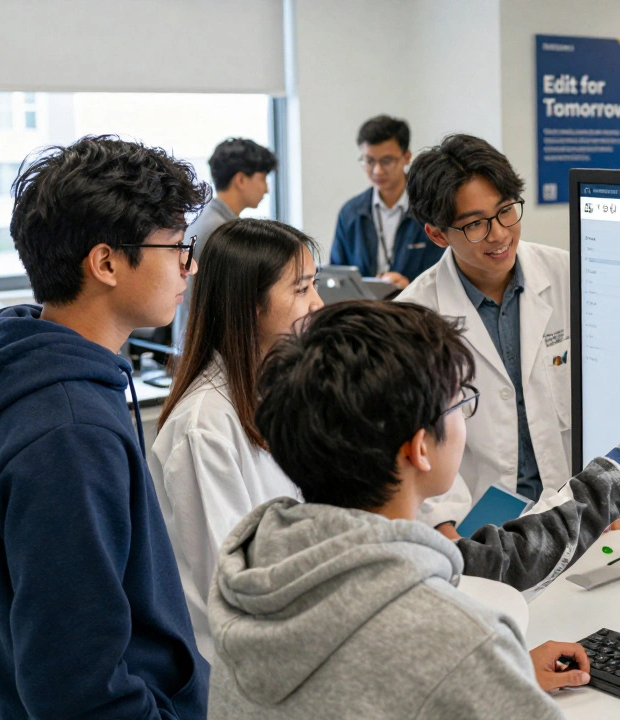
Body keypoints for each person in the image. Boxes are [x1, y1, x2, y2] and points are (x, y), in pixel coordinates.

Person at [207, 300, 620, 719]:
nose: (467, 415)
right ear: (419, 449)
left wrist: (500, 679)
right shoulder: (453, 638)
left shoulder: (256, 566)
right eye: (461, 401)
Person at [0, 136, 210, 719]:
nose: (191, 264)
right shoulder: (68, 432)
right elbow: (79, 687)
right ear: (106, 262)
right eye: (177, 247)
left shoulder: (28, 371)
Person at [149, 217, 323, 665]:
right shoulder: (204, 426)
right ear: (251, 304)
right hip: (241, 666)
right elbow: (232, 584)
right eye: (302, 289)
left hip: (290, 636)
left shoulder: (274, 391)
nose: (318, 304)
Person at [398, 134, 577, 537]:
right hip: (476, 528)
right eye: (475, 224)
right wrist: (449, 534)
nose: (498, 234)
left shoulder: (568, 276)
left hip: (571, 511)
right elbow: (414, 444)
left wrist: (606, 495)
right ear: (437, 234)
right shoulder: (414, 317)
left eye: (505, 212)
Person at [174, 138, 278, 348]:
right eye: (262, 178)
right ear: (240, 180)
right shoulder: (222, 231)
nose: (266, 189)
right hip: (210, 350)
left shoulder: (207, 220)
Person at [331, 115, 444, 289]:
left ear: (406, 157)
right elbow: (337, 277)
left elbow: (445, 272)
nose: (377, 170)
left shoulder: (430, 207)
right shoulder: (350, 213)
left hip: (418, 310)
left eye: (386, 161)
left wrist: (411, 287)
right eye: (369, 161)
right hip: (364, 312)